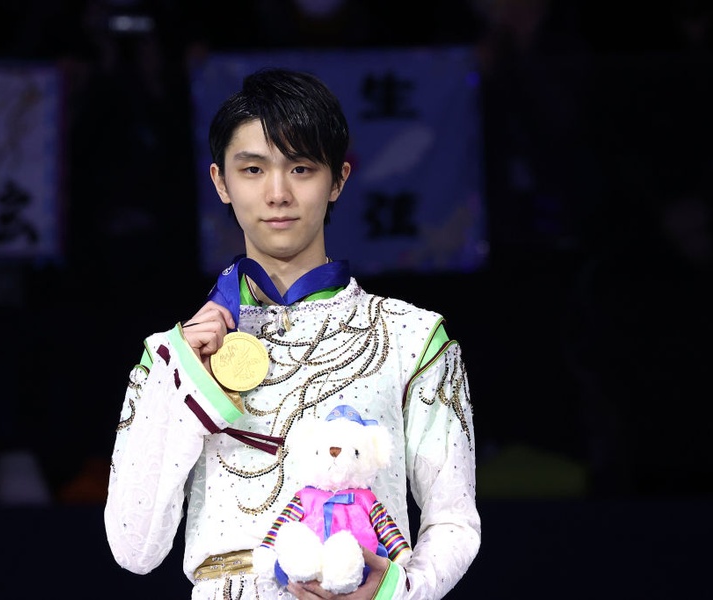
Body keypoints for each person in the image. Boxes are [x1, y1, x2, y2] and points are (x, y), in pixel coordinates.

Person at [103, 67, 481, 599]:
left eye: (301, 168)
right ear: (220, 182)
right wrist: (185, 381)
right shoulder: (173, 355)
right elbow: (133, 549)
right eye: (253, 169)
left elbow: (455, 520)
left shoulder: (412, 338)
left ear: (339, 179)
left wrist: (397, 589)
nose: (277, 193)